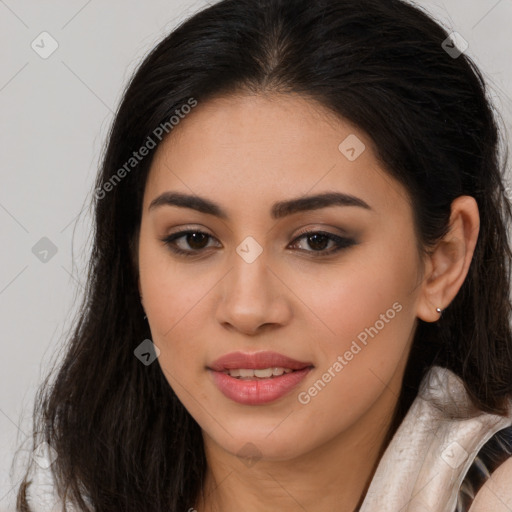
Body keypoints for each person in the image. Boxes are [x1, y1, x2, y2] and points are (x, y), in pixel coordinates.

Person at [13, 0, 512, 510]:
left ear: (443, 261)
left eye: (318, 240)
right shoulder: (70, 491)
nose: (247, 309)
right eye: (194, 239)